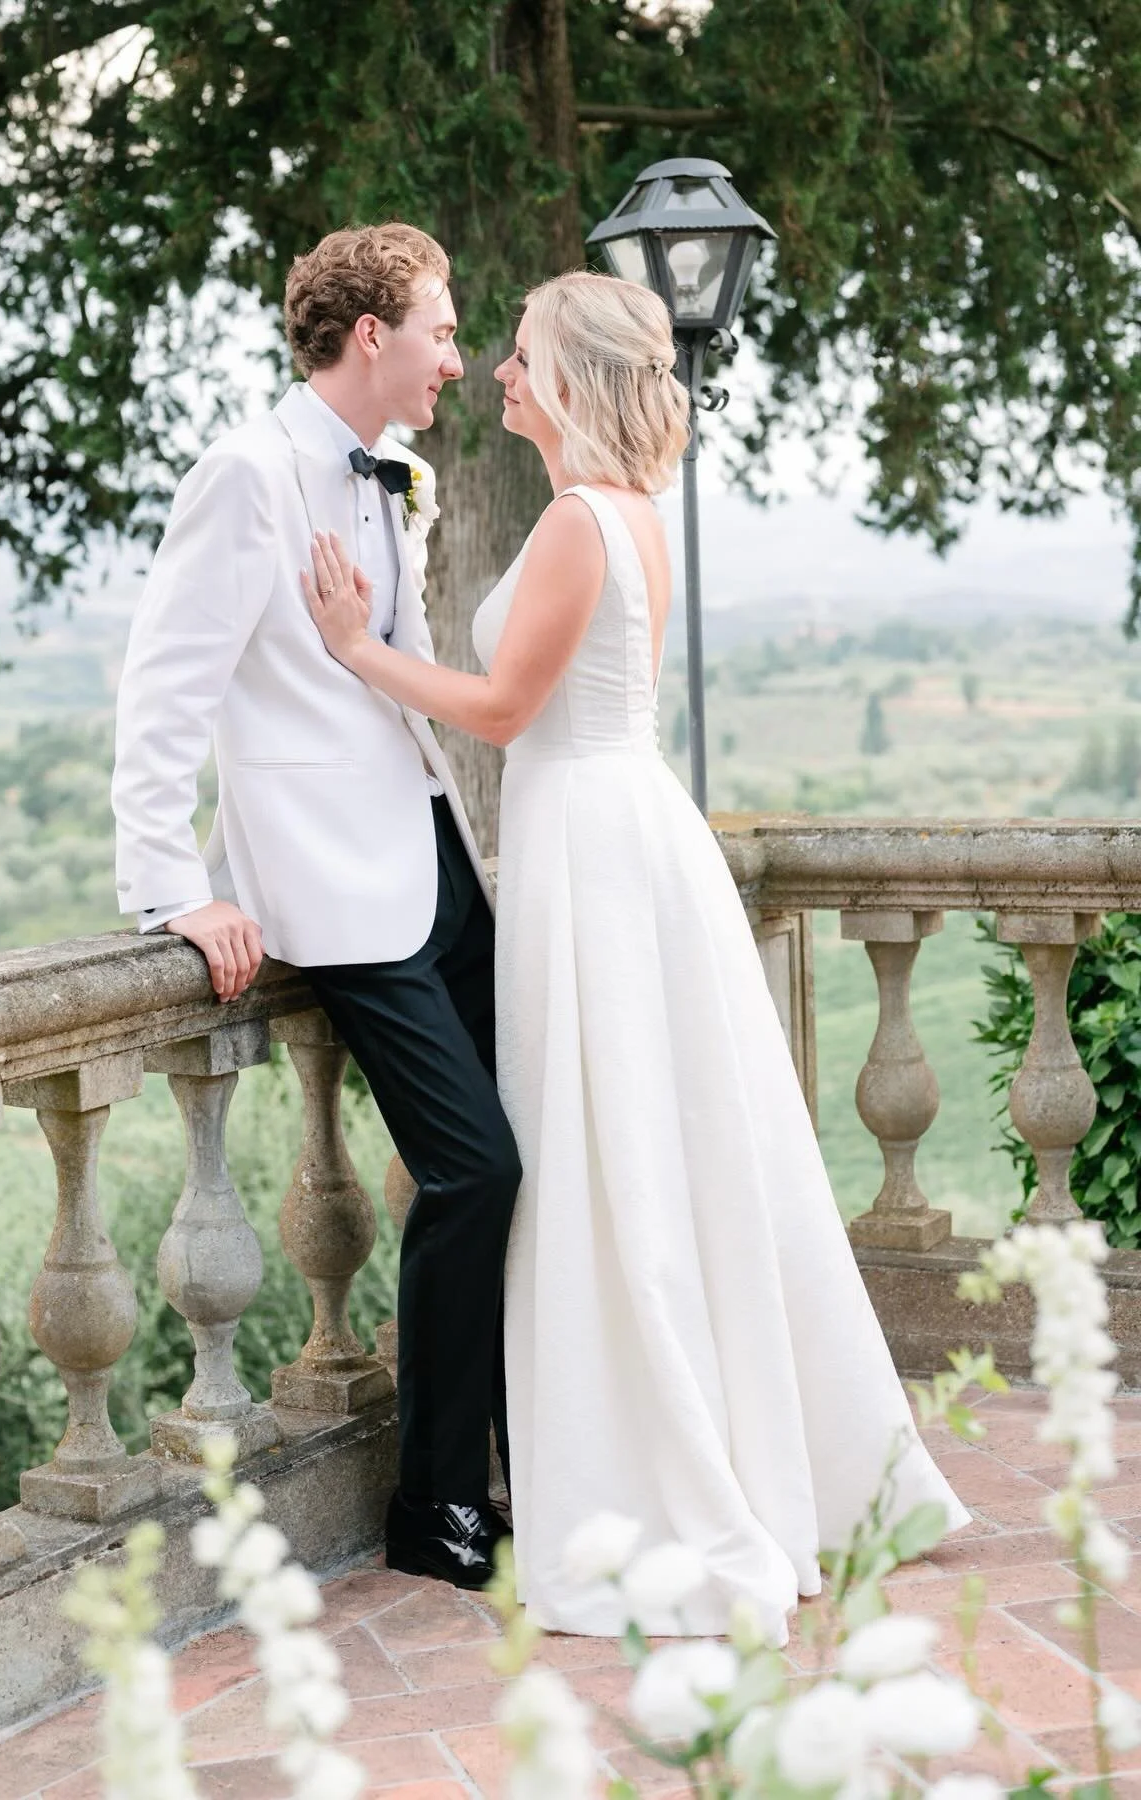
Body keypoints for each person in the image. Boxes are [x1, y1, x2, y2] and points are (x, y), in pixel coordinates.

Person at [304, 268, 969, 1645]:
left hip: (593, 848)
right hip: (617, 831)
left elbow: (498, 708)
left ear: (575, 380)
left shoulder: (573, 522)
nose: (496, 370)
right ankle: (732, 1448)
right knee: (662, 1156)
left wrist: (352, 649)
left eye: (523, 353)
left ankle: (658, 1474)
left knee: (613, 1163)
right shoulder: (634, 515)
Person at [111, 223, 519, 1591]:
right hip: (334, 889)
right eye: (443, 332)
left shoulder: (394, 471)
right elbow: (165, 686)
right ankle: (439, 1505)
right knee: (475, 1169)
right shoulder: (247, 475)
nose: (457, 359)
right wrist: (176, 886)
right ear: (369, 339)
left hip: (436, 852)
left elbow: (387, 666)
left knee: (547, 1139)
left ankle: (544, 1450)